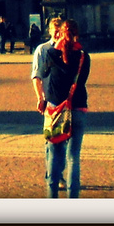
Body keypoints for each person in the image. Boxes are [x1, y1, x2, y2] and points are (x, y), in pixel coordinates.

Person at [31, 17, 92, 199]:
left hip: (56, 111)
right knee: (73, 157)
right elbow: (82, 81)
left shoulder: (50, 54)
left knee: (54, 156)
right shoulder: (84, 57)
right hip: (78, 107)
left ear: (60, 34)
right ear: (76, 35)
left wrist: (41, 98)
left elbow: (44, 77)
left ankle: (52, 197)